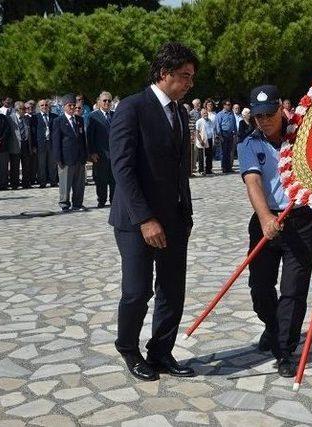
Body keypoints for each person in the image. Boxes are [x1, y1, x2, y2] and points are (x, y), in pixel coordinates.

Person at [109, 41, 198, 382]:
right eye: (185, 76)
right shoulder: (132, 108)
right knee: (137, 290)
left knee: (172, 290)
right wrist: (145, 218)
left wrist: (185, 214)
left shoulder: (178, 111)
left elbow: (178, 169)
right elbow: (123, 168)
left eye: (192, 77)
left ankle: (161, 351)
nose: (190, 83)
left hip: (175, 218)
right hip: (136, 221)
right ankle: (128, 349)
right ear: (165, 74)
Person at [237, 84, 312, 378]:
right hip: (266, 219)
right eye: (258, 116)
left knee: (293, 290)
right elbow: (253, 182)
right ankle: (273, 327)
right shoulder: (249, 143)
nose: (264, 121)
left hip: (301, 220)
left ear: (281, 110)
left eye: (269, 114)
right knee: (260, 287)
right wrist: (264, 218)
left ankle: (284, 349)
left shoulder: (303, 138)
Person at [52, 94, 87, 212]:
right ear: (64, 107)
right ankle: (64, 204)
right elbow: (56, 141)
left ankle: (77, 203)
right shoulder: (58, 121)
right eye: (69, 105)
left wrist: (85, 155)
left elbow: (82, 139)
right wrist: (58, 159)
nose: (72, 107)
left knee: (79, 183)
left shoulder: (79, 120)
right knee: (65, 183)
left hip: (79, 157)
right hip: (66, 158)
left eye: (73, 105)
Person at [87, 91, 115, 208]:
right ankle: (102, 200)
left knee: (114, 180)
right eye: (104, 101)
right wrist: (92, 153)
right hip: (100, 154)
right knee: (101, 180)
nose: (107, 103)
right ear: (99, 102)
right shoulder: (93, 116)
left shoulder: (115, 115)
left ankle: (114, 200)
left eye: (109, 101)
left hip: (114, 154)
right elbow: (90, 136)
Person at [34, 99, 58, 188]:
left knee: (52, 164)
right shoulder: (35, 117)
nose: (44, 107)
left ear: (49, 106)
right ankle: (42, 182)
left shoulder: (54, 117)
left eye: (46, 105)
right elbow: (33, 132)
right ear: (39, 107)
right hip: (40, 144)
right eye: (42, 105)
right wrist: (34, 145)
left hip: (51, 143)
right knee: (41, 164)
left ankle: (53, 181)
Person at [214, 99, 237, 173]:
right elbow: (218, 126)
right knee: (223, 152)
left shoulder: (231, 113)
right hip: (223, 134)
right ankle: (224, 167)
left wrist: (235, 132)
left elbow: (234, 123)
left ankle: (229, 167)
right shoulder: (220, 114)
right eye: (228, 105)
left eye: (230, 105)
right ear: (224, 105)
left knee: (229, 152)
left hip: (231, 134)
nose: (229, 106)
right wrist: (220, 136)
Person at [195, 108, 214, 175]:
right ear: (201, 114)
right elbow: (197, 132)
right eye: (204, 113)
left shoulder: (210, 121)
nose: (205, 114)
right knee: (201, 156)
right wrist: (200, 141)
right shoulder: (199, 121)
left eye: (206, 113)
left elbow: (212, 130)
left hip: (209, 139)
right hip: (202, 140)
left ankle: (209, 169)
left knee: (209, 156)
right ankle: (201, 170)